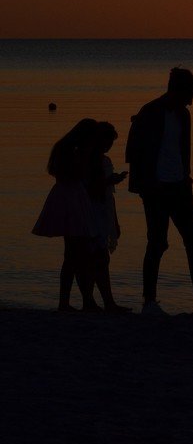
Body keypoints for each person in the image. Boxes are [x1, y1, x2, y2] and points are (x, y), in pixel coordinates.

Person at [126, 67, 193, 315]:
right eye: (189, 94)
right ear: (177, 90)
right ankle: (149, 301)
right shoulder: (150, 112)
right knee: (157, 243)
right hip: (155, 188)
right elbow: (133, 151)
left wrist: (187, 175)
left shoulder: (184, 116)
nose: (191, 101)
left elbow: (183, 149)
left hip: (180, 186)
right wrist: (142, 185)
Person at [32, 119, 101, 311]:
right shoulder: (76, 151)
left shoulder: (63, 147)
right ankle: (81, 301)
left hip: (65, 196)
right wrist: (86, 156)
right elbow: (77, 174)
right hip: (72, 198)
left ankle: (73, 301)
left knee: (73, 254)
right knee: (77, 254)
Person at [83, 121, 130, 313]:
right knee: (96, 258)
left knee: (100, 259)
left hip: (105, 212)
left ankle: (103, 301)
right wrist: (109, 180)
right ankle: (99, 301)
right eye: (107, 141)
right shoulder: (88, 161)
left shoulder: (105, 161)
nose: (108, 146)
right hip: (93, 212)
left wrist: (115, 222)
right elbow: (91, 189)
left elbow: (110, 195)